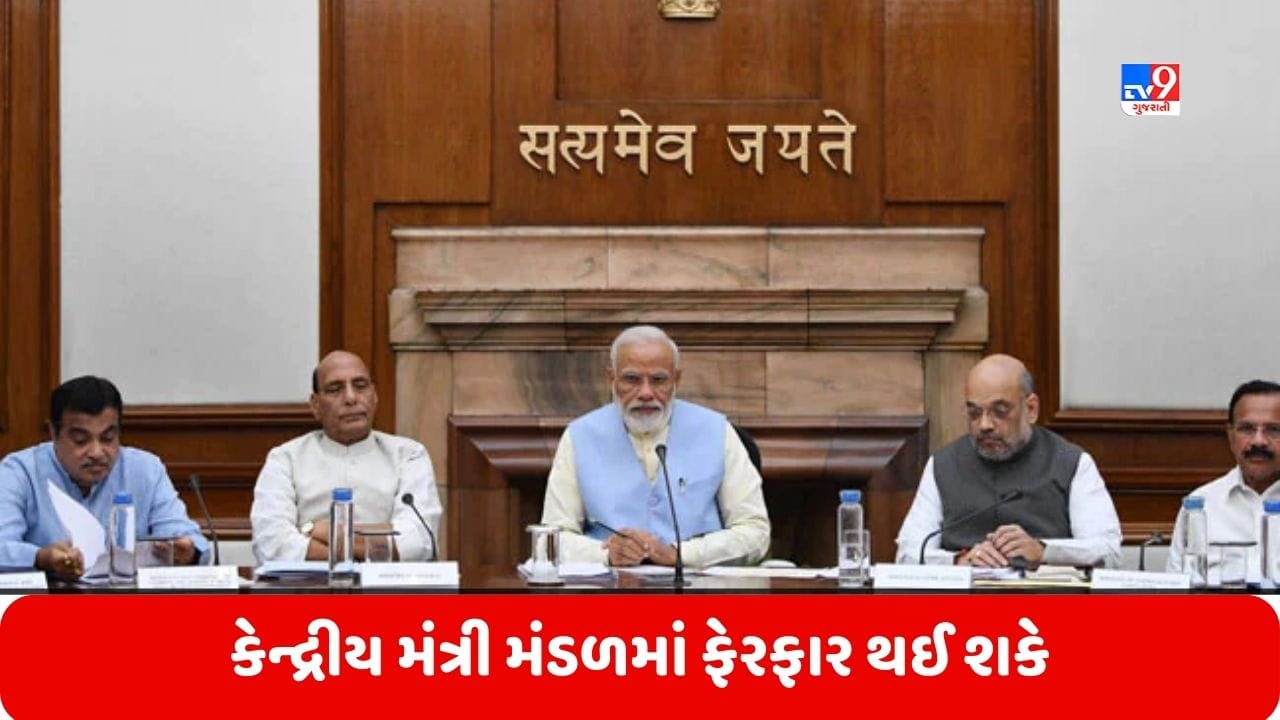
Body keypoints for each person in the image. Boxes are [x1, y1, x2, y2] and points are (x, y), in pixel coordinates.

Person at [540, 325, 771, 567]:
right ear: (611, 379)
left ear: (676, 380)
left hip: (698, 586)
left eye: (658, 380)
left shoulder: (717, 431)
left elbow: (755, 531)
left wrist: (683, 554)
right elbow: (550, 539)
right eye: (632, 379)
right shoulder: (580, 436)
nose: (646, 393)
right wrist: (606, 554)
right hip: (609, 586)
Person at [895, 354, 1121, 567]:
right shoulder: (944, 464)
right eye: (974, 413)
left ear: (1030, 409)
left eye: (1000, 411)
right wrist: (958, 560)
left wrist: (1043, 551)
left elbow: (1109, 553)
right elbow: (907, 555)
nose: (984, 425)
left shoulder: (1071, 463)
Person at [0, 376, 210, 580]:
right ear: (53, 433)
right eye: (81, 440)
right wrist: (41, 558)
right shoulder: (20, 472)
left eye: (108, 438)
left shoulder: (146, 470)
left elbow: (188, 539)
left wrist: (187, 552)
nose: (97, 452)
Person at [250, 350, 442, 563]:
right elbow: (272, 543)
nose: (351, 398)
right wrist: (374, 545)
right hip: (309, 584)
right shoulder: (285, 459)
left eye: (360, 386)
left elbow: (417, 541)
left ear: (374, 396)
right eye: (335, 389)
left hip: (386, 584)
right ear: (315, 404)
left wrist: (317, 530)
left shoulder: (409, 455)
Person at [1167, 380, 1280, 576]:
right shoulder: (1201, 505)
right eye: (1247, 429)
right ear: (1230, 436)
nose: (1259, 441)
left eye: (1273, 430)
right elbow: (1177, 588)